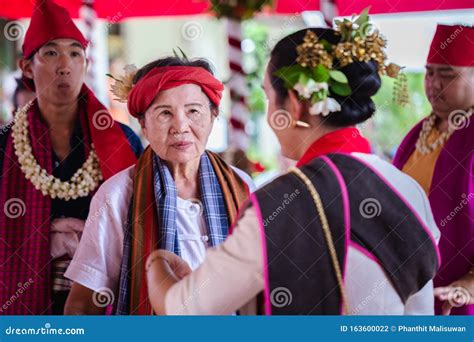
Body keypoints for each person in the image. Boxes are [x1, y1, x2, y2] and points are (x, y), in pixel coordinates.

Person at [145, 21, 441, 315]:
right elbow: (419, 315)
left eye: (270, 98)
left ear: (296, 105)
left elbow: (184, 309)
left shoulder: (280, 203)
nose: (271, 113)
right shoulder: (406, 189)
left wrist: (157, 263)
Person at [64, 56, 255, 315]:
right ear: (143, 124)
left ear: (213, 116)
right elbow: (82, 305)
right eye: (165, 113)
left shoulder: (241, 186)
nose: (180, 127)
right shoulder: (118, 195)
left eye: (193, 111)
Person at [0, 0, 142, 315]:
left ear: (86, 64)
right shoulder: (4, 147)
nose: (65, 65)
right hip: (19, 300)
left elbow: (144, 220)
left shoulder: (122, 141)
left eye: (75, 53)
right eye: (51, 53)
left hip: (104, 301)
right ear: (26, 67)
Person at [393, 24, 474, 315]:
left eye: (448, 74)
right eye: (429, 72)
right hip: (407, 287)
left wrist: (469, 284)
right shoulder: (417, 135)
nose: (434, 84)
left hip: (457, 298)